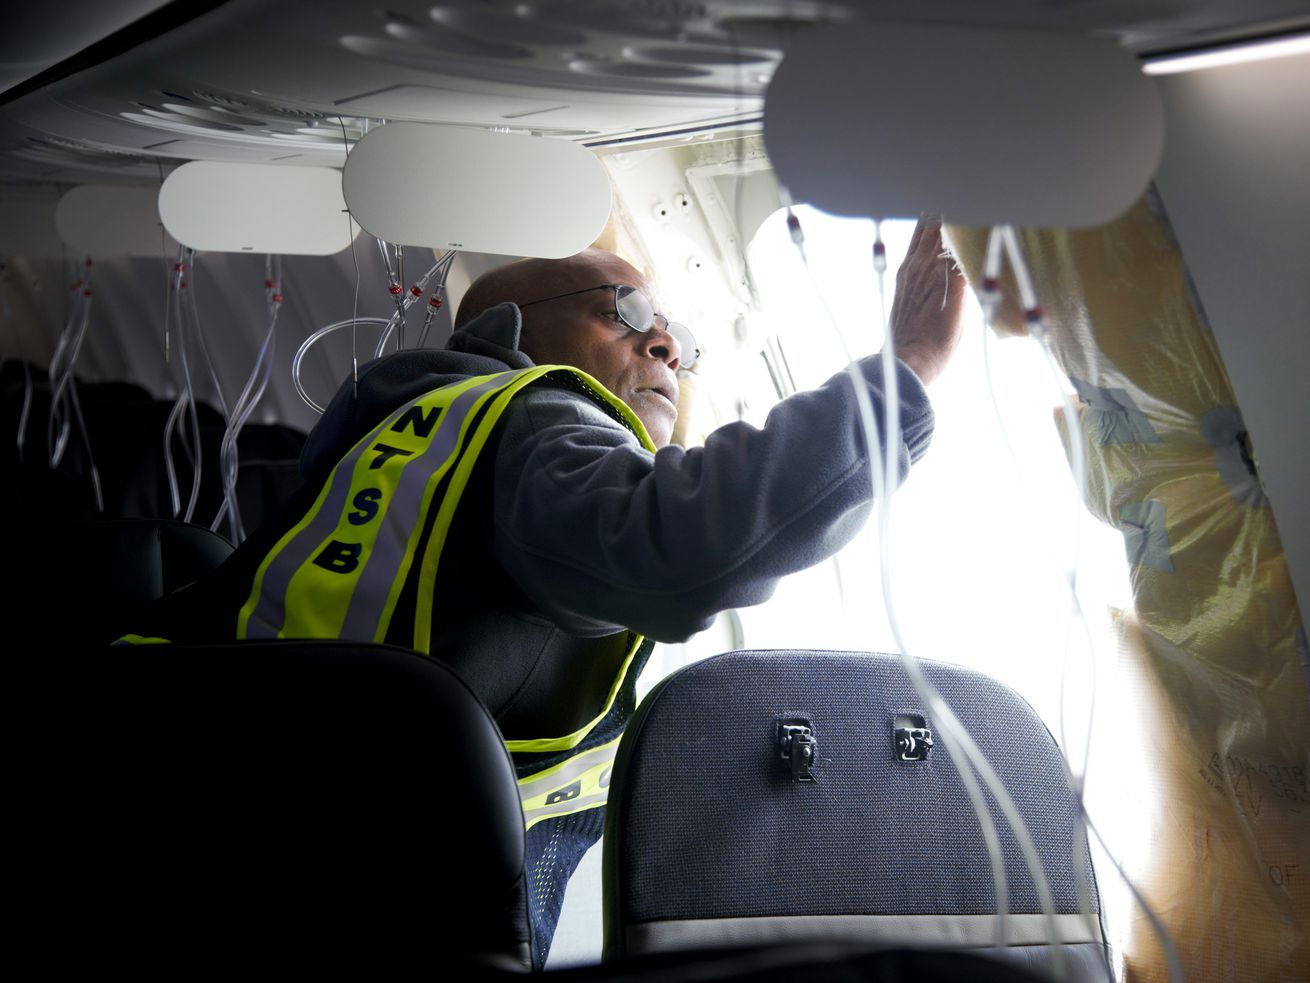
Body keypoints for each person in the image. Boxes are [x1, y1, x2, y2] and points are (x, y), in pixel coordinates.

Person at [123, 217, 965, 963]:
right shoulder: (532, 417)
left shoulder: (417, 432)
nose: (668, 345)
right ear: (509, 330)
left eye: (679, 337)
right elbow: (679, 544)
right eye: (626, 312)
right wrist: (907, 376)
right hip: (371, 893)